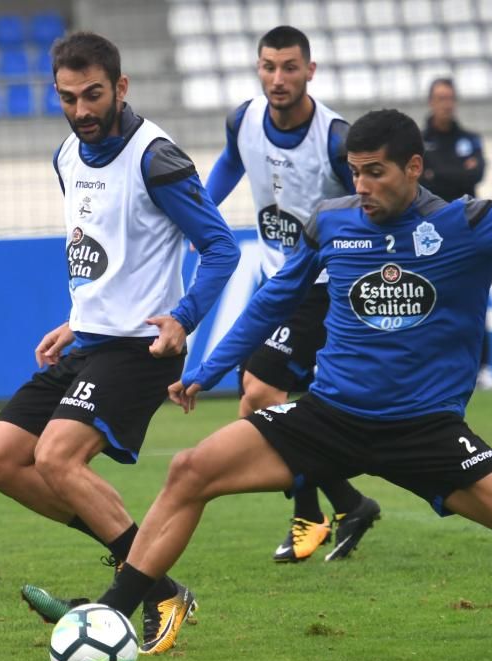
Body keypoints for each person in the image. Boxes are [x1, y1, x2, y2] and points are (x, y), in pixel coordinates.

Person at [91, 108, 492, 653]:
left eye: (375, 173)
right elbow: (273, 299)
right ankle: (113, 613)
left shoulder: (470, 224)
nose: (360, 186)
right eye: (355, 171)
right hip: (328, 417)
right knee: (189, 471)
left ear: (414, 168)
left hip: (426, 432)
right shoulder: (332, 224)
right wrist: (205, 371)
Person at [0, 31, 240, 654]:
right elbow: (106, 255)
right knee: (0, 458)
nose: (82, 110)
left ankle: (151, 590)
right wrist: (78, 319)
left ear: (120, 87)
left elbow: (221, 248)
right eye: (67, 97)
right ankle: (155, 580)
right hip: (91, 341)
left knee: (57, 457)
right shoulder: (66, 155)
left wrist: (185, 315)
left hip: (141, 349)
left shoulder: (157, 159)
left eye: (93, 95)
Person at [205, 25, 381, 563]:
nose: (277, 78)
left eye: (288, 67)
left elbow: (369, 203)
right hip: (274, 280)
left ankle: (314, 513)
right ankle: (346, 505)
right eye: (268, 66)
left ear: (310, 71)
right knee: (270, 404)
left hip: (324, 286)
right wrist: (199, 218)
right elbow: (231, 163)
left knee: (259, 394)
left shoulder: (334, 138)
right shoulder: (243, 120)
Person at [421, 77, 492, 391]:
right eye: (440, 98)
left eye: (450, 97)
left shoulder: (470, 139)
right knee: (427, 298)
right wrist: (455, 173)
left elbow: (475, 173)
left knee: (474, 297)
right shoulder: (418, 139)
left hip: (468, 228)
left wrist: (437, 173)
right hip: (430, 228)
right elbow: (434, 180)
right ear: (431, 101)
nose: (446, 103)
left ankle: (483, 368)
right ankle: (432, 370)